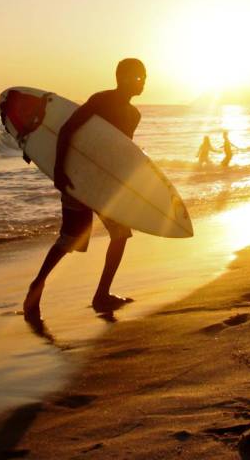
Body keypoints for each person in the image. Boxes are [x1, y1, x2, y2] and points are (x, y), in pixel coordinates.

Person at [23, 58, 146, 321]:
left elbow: (121, 153)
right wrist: (59, 170)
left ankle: (101, 293)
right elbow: (68, 130)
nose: (143, 82)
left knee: (119, 234)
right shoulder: (100, 100)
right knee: (71, 237)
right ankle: (39, 285)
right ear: (123, 78)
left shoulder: (134, 115)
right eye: (139, 77)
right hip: (77, 178)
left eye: (144, 77)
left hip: (104, 185)